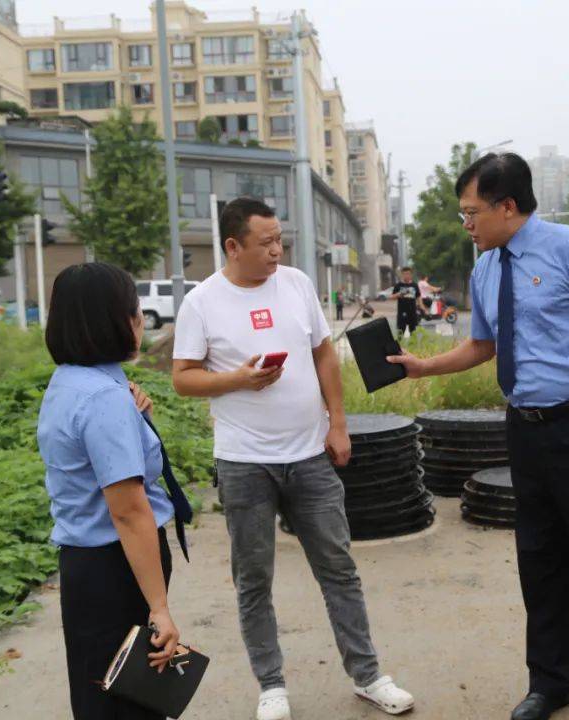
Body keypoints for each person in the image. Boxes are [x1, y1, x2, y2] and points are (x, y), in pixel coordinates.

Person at [389, 153, 569, 720]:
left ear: (507, 206)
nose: (467, 224)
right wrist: (423, 367)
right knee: (539, 557)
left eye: (472, 212)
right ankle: (549, 684)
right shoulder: (486, 268)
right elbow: (484, 345)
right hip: (526, 430)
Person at [171, 197, 414, 720]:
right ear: (233, 246)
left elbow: (324, 354)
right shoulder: (202, 302)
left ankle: (368, 675)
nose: (277, 251)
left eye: (279, 240)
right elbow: (183, 378)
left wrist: (338, 422)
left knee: (339, 568)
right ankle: (271, 685)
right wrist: (239, 379)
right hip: (244, 462)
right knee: (253, 579)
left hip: (309, 455)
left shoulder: (298, 285)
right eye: (265, 243)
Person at [37, 262, 183, 720]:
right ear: (111, 321)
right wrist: (160, 608)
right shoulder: (103, 398)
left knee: (99, 697)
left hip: (87, 567)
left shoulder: (71, 382)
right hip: (115, 568)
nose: (139, 320)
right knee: (129, 702)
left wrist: (135, 416)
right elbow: (129, 512)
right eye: (133, 310)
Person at [389, 267, 420, 336]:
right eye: (405, 274)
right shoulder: (398, 285)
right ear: (402, 275)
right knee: (400, 331)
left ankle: (413, 342)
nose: (406, 276)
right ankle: (400, 342)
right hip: (402, 312)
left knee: (413, 331)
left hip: (412, 312)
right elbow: (391, 297)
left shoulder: (414, 285)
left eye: (408, 274)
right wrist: (398, 294)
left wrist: (422, 307)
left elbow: (418, 296)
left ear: (411, 275)